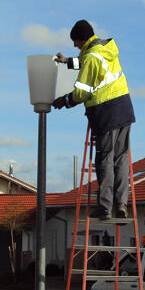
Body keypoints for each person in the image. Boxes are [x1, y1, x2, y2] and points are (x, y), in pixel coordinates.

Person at [52, 19, 135, 220]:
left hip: (106, 112)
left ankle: (105, 207)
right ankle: (121, 204)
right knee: (121, 157)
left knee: (105, 159)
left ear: (82, 39)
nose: (74, 45)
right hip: (124, 108)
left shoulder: (90, 57)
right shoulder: (106, 49)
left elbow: (81, 92)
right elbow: (89, 62)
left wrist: (64, 101)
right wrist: (67, 62)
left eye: (75, 41)